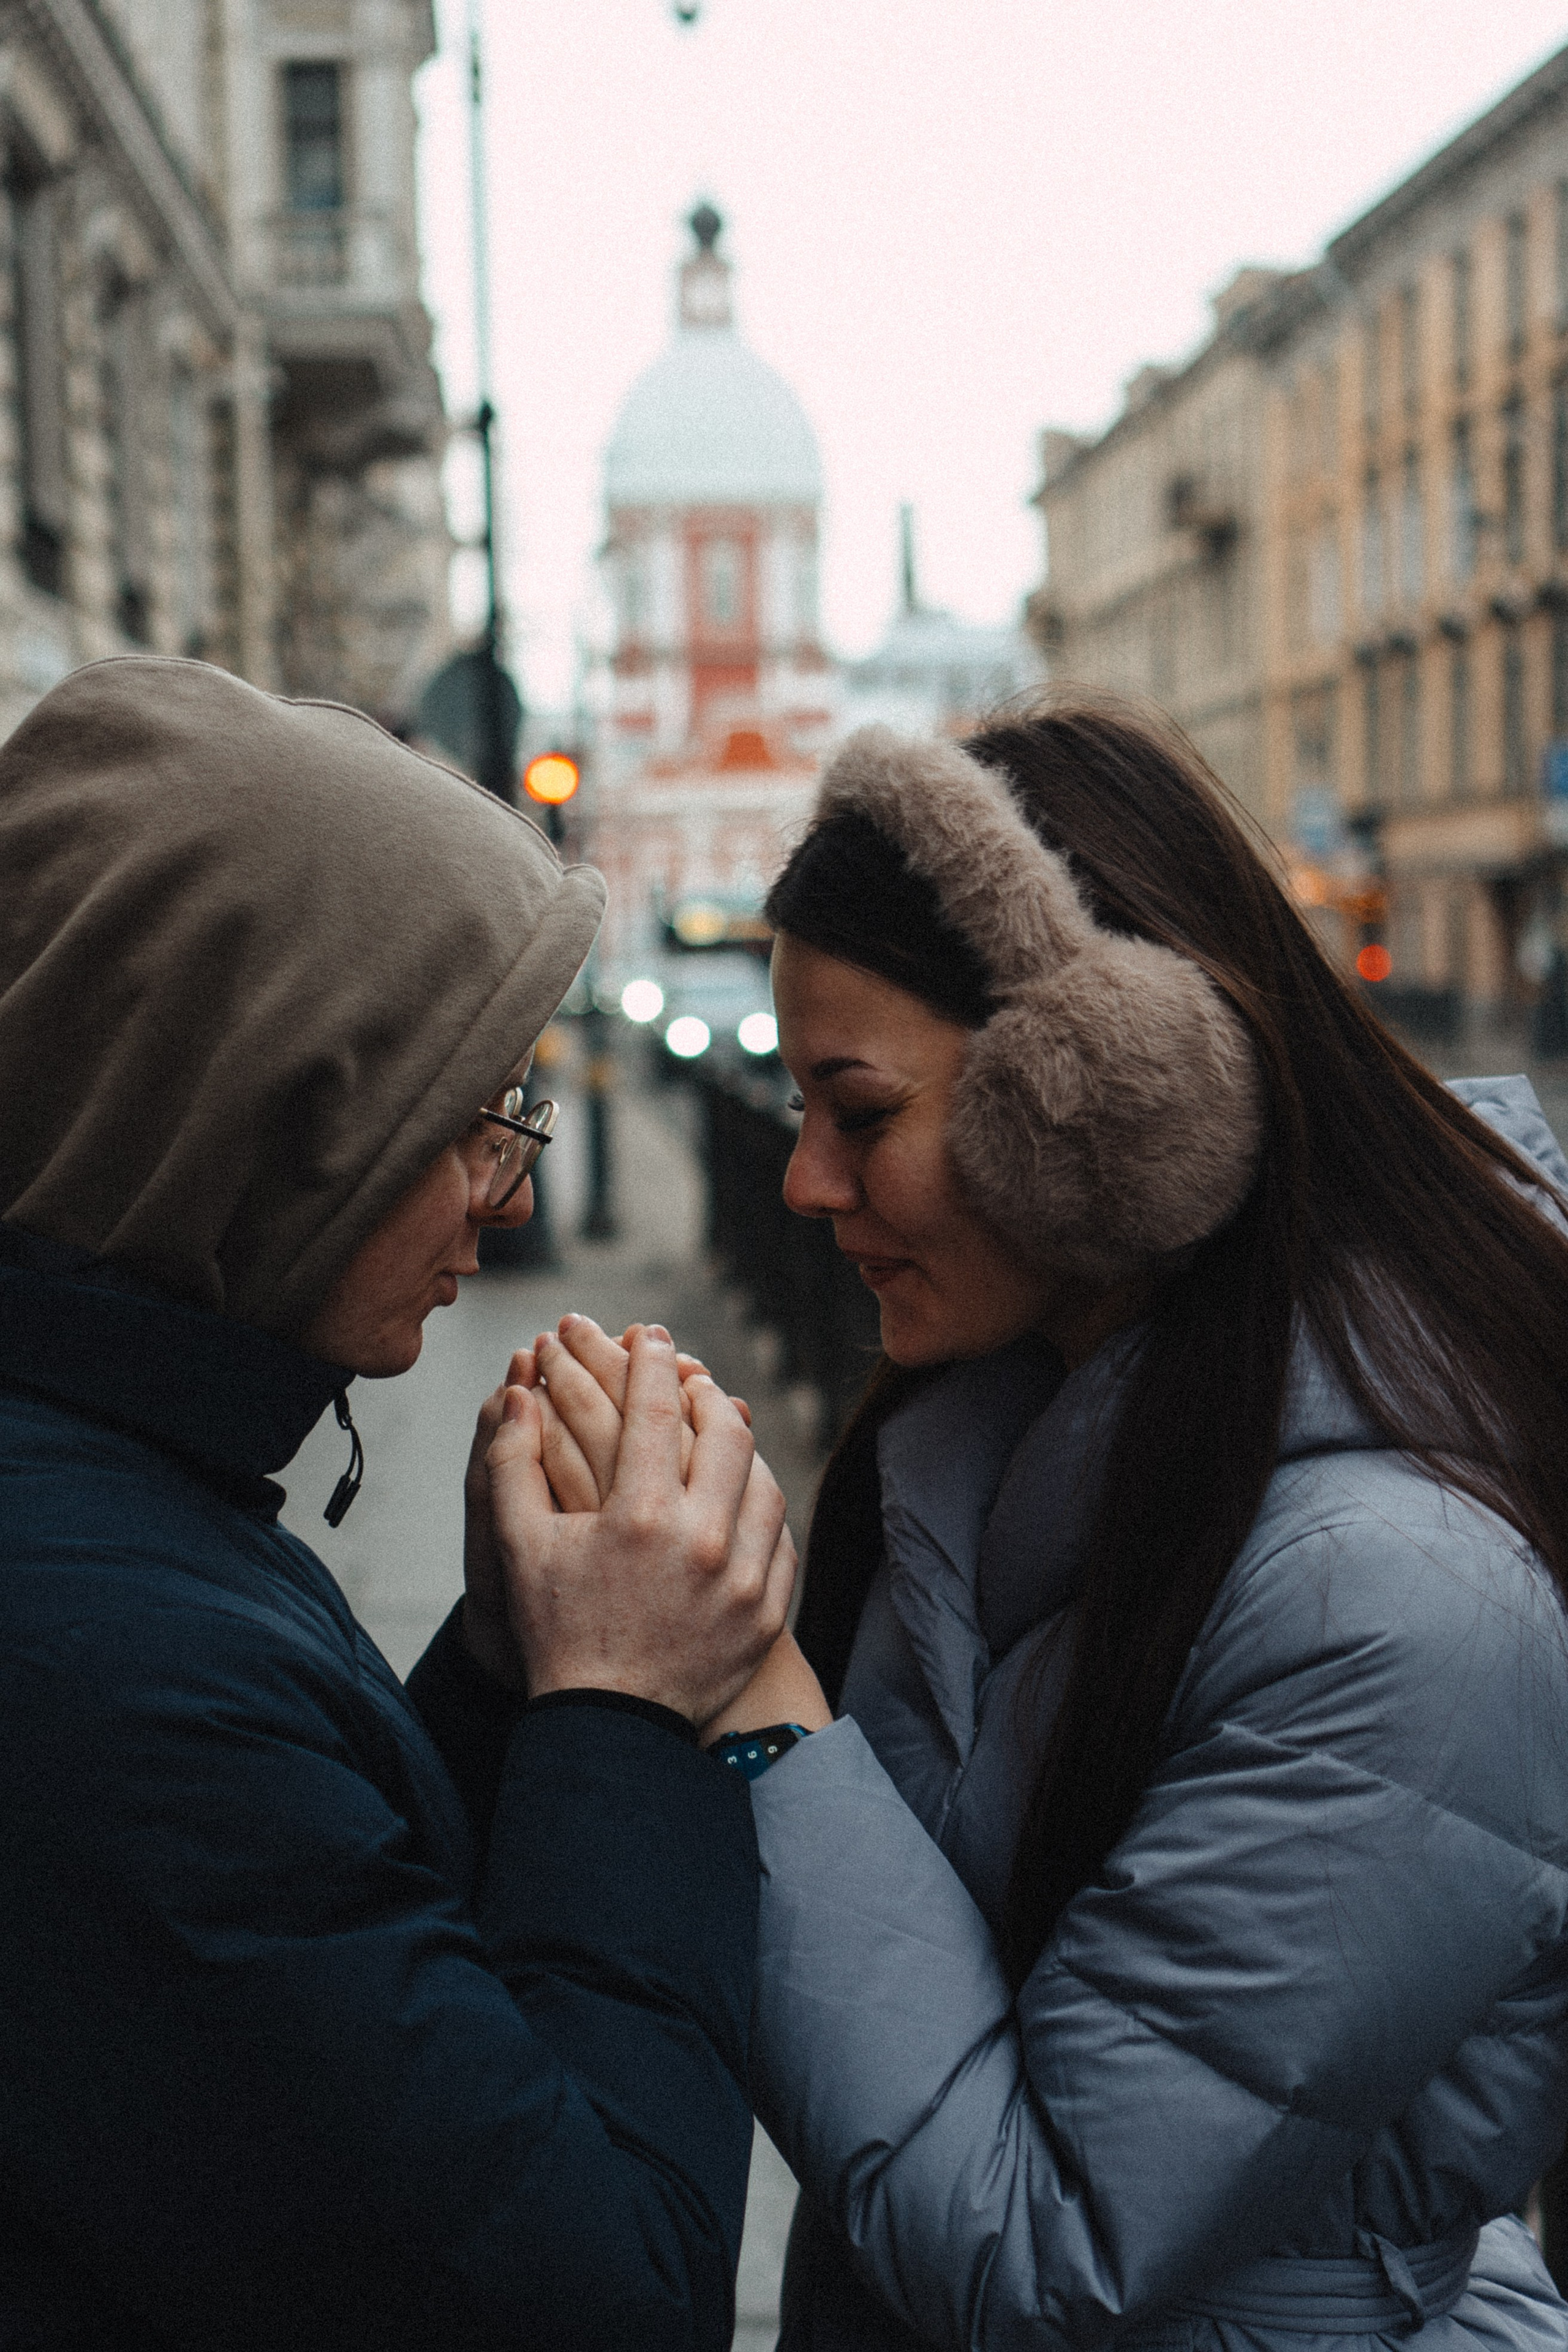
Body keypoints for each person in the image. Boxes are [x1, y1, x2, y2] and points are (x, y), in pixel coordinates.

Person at [521, 698, 1568, 2352]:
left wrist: (750, 1703)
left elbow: (1043, 2248)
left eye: (859, 1111)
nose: (804, 1182)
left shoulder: (1403, 1612)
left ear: (1104, 1104)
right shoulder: (1001, 1432)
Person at [0, 656, 796, 2352]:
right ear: (276, 1116)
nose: (503, 1201)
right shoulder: (112, 1659)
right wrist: (624, 1710)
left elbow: (323, 1988)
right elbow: (599, 2295)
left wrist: (506, 1678)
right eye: (471, 1119)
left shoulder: (119, 1479)